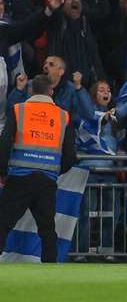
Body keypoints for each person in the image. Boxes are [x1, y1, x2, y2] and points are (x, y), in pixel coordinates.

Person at [0, 75, 77, 262]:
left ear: (30, 90)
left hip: (18, 177)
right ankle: (50, 269)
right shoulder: (63, 116)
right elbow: (70, 156)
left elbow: (4, 145)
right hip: (46, 181)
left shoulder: (19, 110)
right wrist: (54, 170)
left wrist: (3, 173)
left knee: (2, 224)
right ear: (51, 91)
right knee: (47, 229)